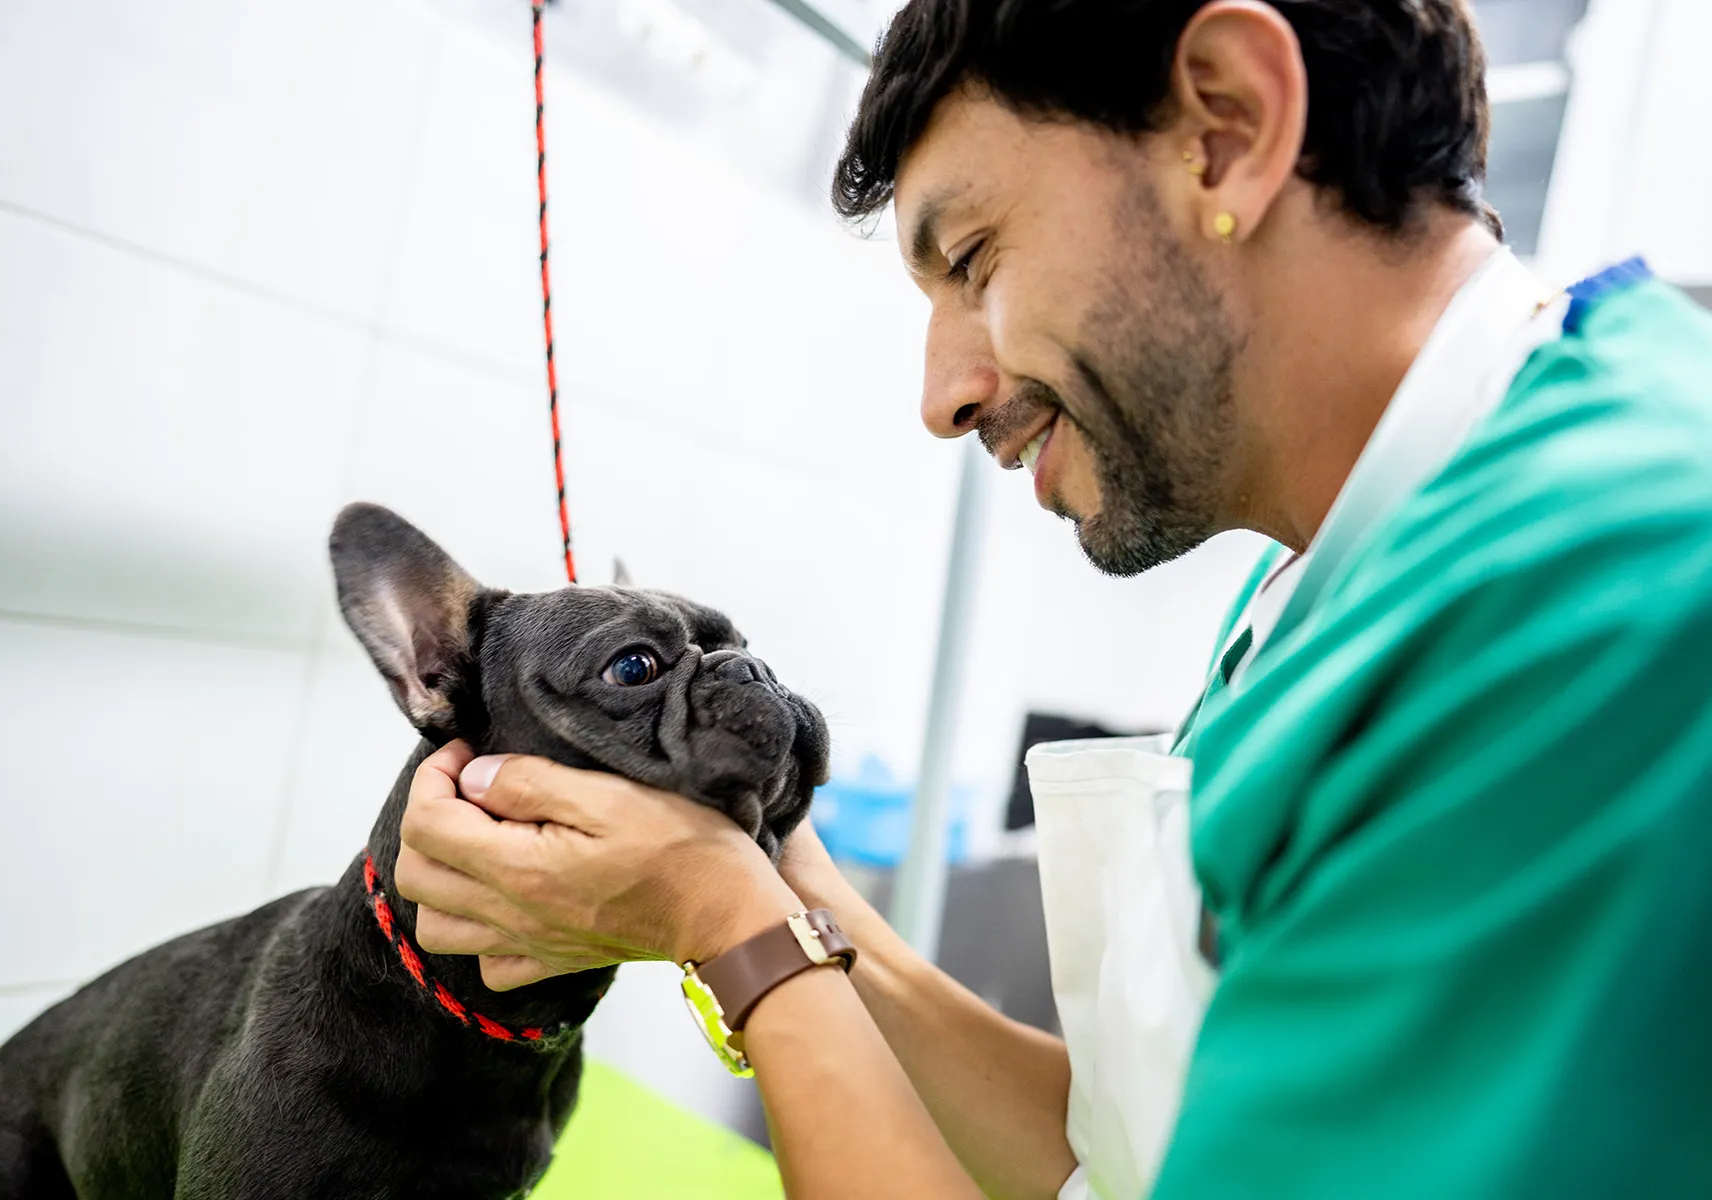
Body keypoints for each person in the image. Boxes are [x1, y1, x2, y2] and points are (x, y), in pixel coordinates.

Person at [393, 2, 1712, 1196]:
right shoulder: (1349, 553)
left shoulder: (1605, 586)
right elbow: (1132, 1154)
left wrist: (727, 928)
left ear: (1228, 130)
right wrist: (776, 877)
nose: (940, 396)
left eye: (972, 258)